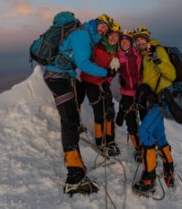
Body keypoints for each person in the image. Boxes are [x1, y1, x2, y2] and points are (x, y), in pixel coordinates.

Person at [44, 13, 116, 195]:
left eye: (106, 29)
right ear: (95, 23)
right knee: (70, 122)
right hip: (57, 77)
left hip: (61, 76)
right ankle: (74, 177)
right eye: (102, 26)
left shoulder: (86, 36)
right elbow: (83, 63)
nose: (103, 30)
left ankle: (75, 169)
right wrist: (105, 72)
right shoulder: (82, 35)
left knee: (71, 119)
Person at [132, 26, 176, 195]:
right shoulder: (143, 56)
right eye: (137, 39)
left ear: (148, 39)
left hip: (161, 98)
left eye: (142, 38)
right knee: (159, 135)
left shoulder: (157, 51)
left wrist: (156, 58)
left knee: (144, 130)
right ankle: (169, 168)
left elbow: (170, 74)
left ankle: (149, 178)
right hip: (152, 99)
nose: (139, 41)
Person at [81, 22, 121, 156]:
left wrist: (108, 80)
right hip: (90, 82)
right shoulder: (97, 46)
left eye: (116, 37)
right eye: (111, 35)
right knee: (99, 112)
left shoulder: (115, 52)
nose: (113, 38)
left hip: (103, 82)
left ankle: (110, 140)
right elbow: (86, 61)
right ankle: (100, 142)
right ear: (107, 35)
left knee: (109, 111)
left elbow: (111, 72)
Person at [115, 30, 142, 162]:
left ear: (131, 43)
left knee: (143, 120)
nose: (124, 43)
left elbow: (141, 72)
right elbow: (112, 70)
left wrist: (141, 86)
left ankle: (146, 145)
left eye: (127, 41)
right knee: (131, 122)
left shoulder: (137, 55)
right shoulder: (117, 55)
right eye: (122, 41)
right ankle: (138, 148)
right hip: (126, 93)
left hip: (139, 92)